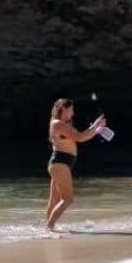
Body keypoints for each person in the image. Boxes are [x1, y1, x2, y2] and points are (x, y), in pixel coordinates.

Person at [45, 98, 106, 232]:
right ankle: (49, 228)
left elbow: (80, 135)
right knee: (68, 199)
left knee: (54, 200)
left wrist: (96, 128)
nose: (73, 113)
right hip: (60, 163)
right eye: (71, 110)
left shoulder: (62, 123)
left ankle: (49, 227)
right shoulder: (58, 124)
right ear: (64, 109)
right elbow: (80, 137)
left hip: (59, 164)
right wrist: (95, 127)